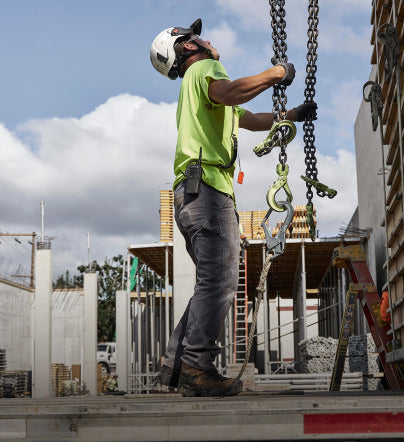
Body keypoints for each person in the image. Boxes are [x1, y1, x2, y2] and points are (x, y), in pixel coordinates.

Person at [150, 19, 317, 397]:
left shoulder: (200, 91)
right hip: (207, 191)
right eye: (197, 37)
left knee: (210, 281)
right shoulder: (205, 70)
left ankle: (176, 366)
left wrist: (291, 115)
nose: (206, 39)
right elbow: (232, 93)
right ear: (186, 48)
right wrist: (276, 74)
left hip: (193, 195)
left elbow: (251, 119)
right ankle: (197, 365)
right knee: (222, 281)